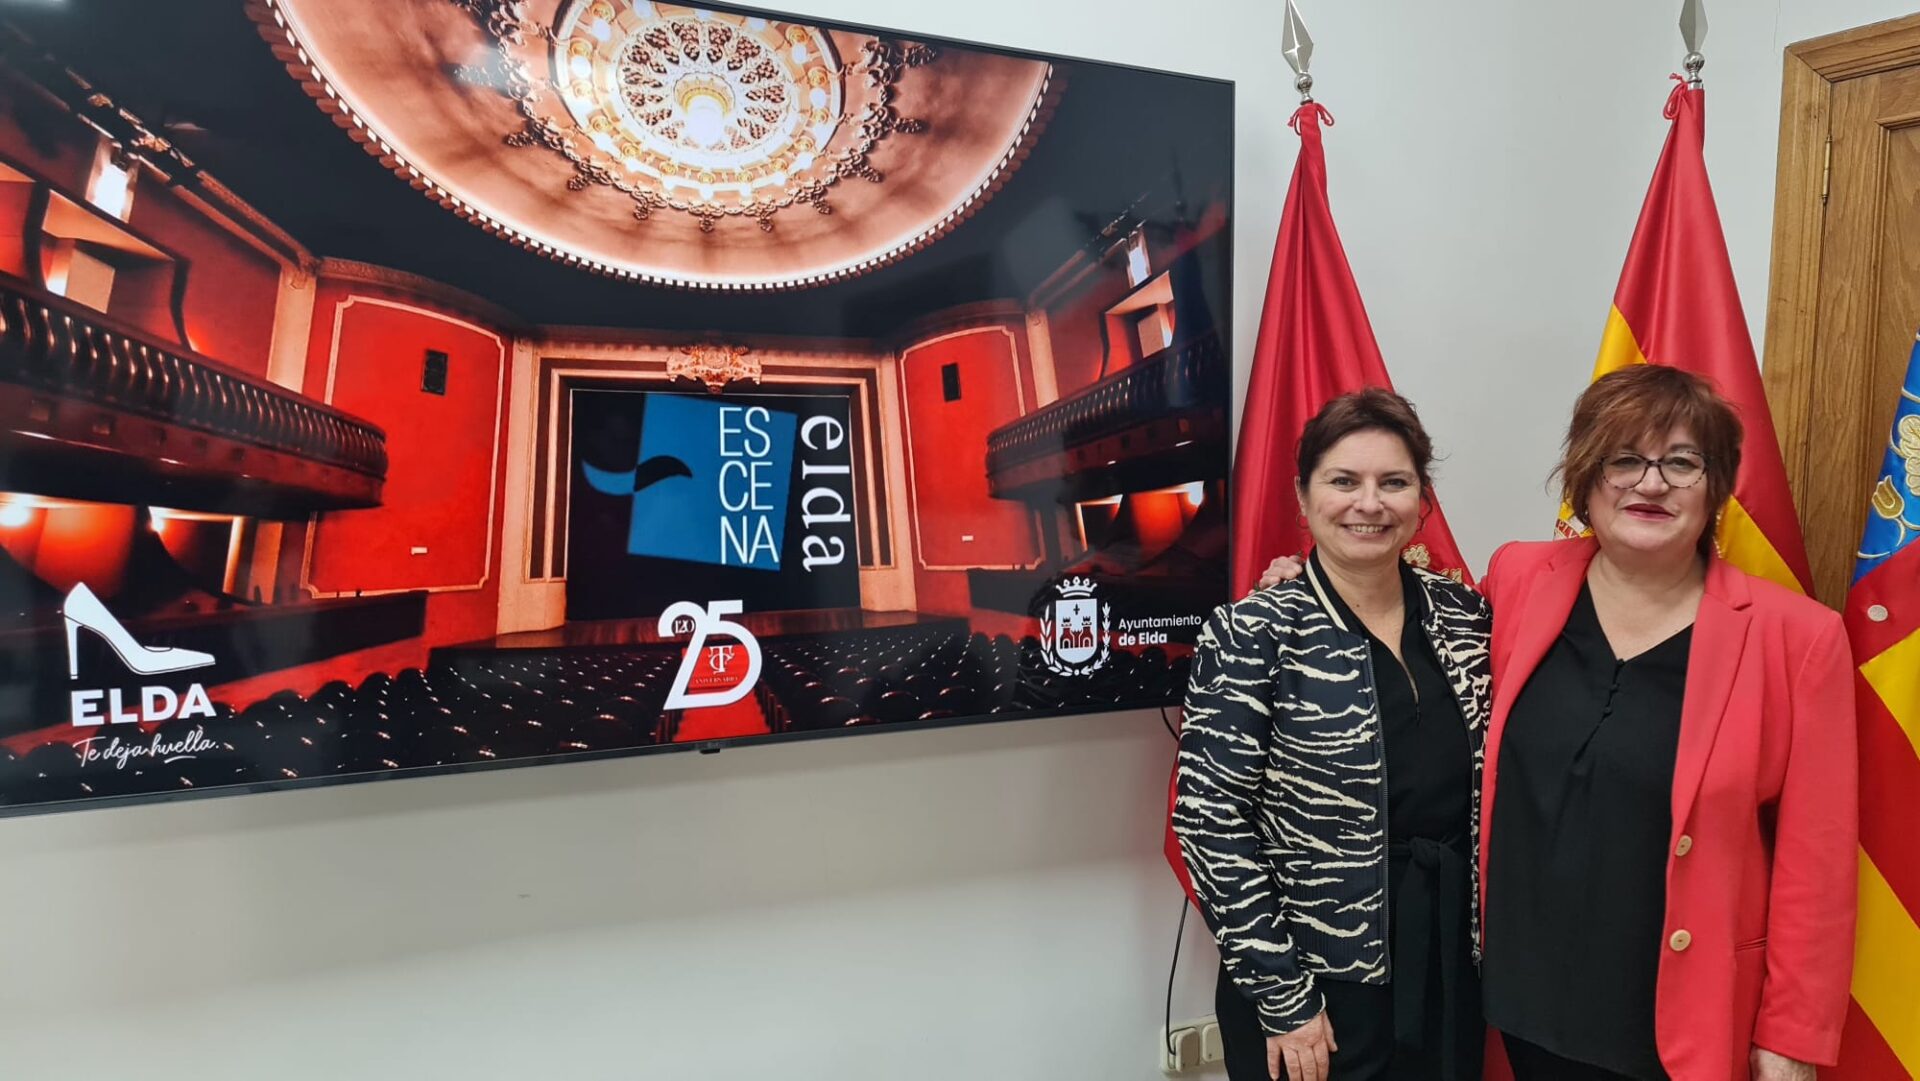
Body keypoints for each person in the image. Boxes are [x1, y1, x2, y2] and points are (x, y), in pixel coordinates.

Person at [1258, 366, 1858, 1081]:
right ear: (1586, 477)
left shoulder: (1797, 639)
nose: (1651, 484)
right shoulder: (1519, 581)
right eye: (1624, 459)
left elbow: (1818, 864)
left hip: (1678, 1015)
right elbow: (1406, 620)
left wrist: (1790, 1037)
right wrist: (1309, 585)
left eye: (1681, 462)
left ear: (1716, 485)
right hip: (1515, 1003)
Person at [1175, 388, 1492, 1081]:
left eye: (1394, 482)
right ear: (1303, 495)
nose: (1369, 503)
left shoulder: (1466, 615)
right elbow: (1209, 823)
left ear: (1423, 498)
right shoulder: (1252, 632)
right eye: (1344, 481)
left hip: (1447, 959)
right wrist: (1283, 996)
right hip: (1314, 980)